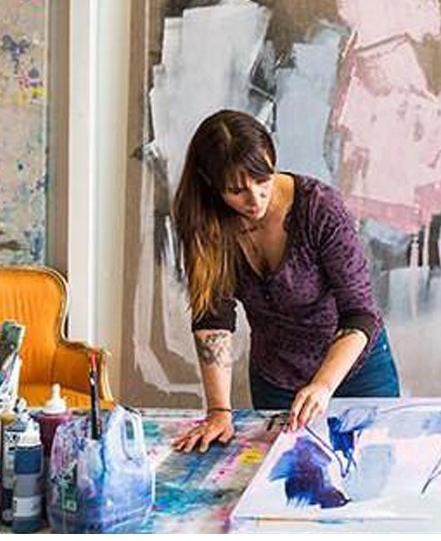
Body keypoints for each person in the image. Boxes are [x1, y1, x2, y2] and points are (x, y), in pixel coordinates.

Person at [170, 109, 400, 453]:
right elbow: (212, 316)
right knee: (289, 476)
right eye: (236, 190)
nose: (255, 199)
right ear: (210, 183)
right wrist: (219, 411)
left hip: (358, 373)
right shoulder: (205, 223)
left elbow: (360, 313)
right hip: (276, 380)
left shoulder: (319, 209)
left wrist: (322, 385)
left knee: (373, 472)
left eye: (262, 180)